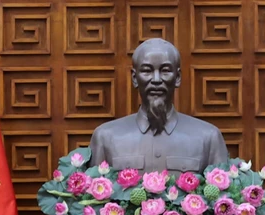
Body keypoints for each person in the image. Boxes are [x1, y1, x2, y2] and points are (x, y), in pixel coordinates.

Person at [88, 38, 229, 173]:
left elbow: (223, 196)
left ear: (177, 78)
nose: (156, 80)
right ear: (135, 78)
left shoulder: (208, 137)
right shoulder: (105, 137)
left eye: (165, 70)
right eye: (147, 71)